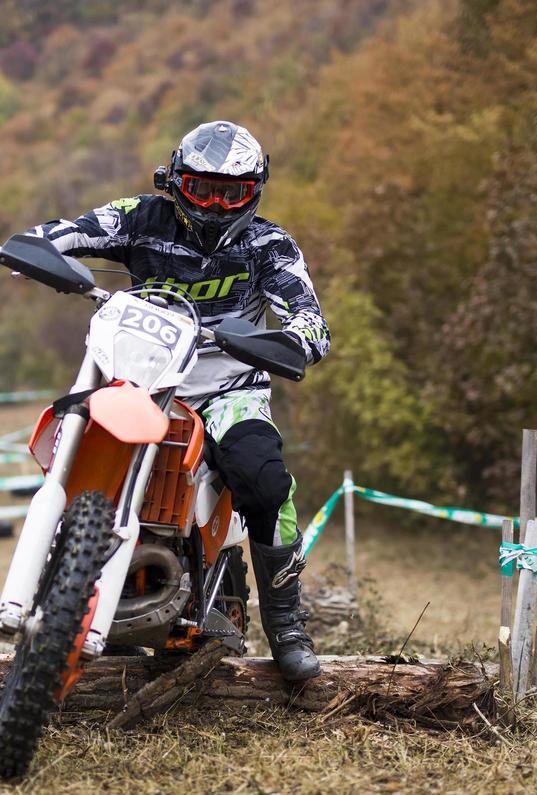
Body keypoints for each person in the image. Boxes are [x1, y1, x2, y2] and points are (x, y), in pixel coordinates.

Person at [21, 120, 330, 681]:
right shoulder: (138, 216)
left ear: (253, 193)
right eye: (200, 188)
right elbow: (65, 231)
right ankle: (52, 586)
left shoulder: (270, 245)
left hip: (225, 388)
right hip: (137, 376)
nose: (213, 204)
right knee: (76, 447)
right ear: (173, 180)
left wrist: (279, 342)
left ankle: (286, 622)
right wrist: (38, 250)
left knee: (264, 481)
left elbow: (313, 324)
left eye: (229, 192)